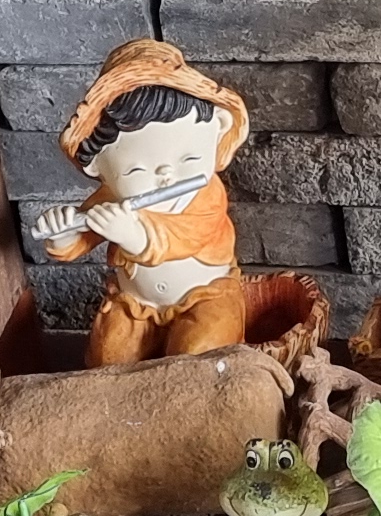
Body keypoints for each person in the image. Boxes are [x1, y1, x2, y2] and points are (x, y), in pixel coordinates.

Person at [26, 40, 250, 363]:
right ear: (97, 166)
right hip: (136, 305)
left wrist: (133, 236)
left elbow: (185, 237)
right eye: (136, 170)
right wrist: (63, 232)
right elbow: (82, 239)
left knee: (200, 355)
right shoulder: (112, 197)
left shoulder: (207, 196)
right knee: (108, 357)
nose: (167, 176)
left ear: (219, 128)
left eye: (189, 158)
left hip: (204, 297)